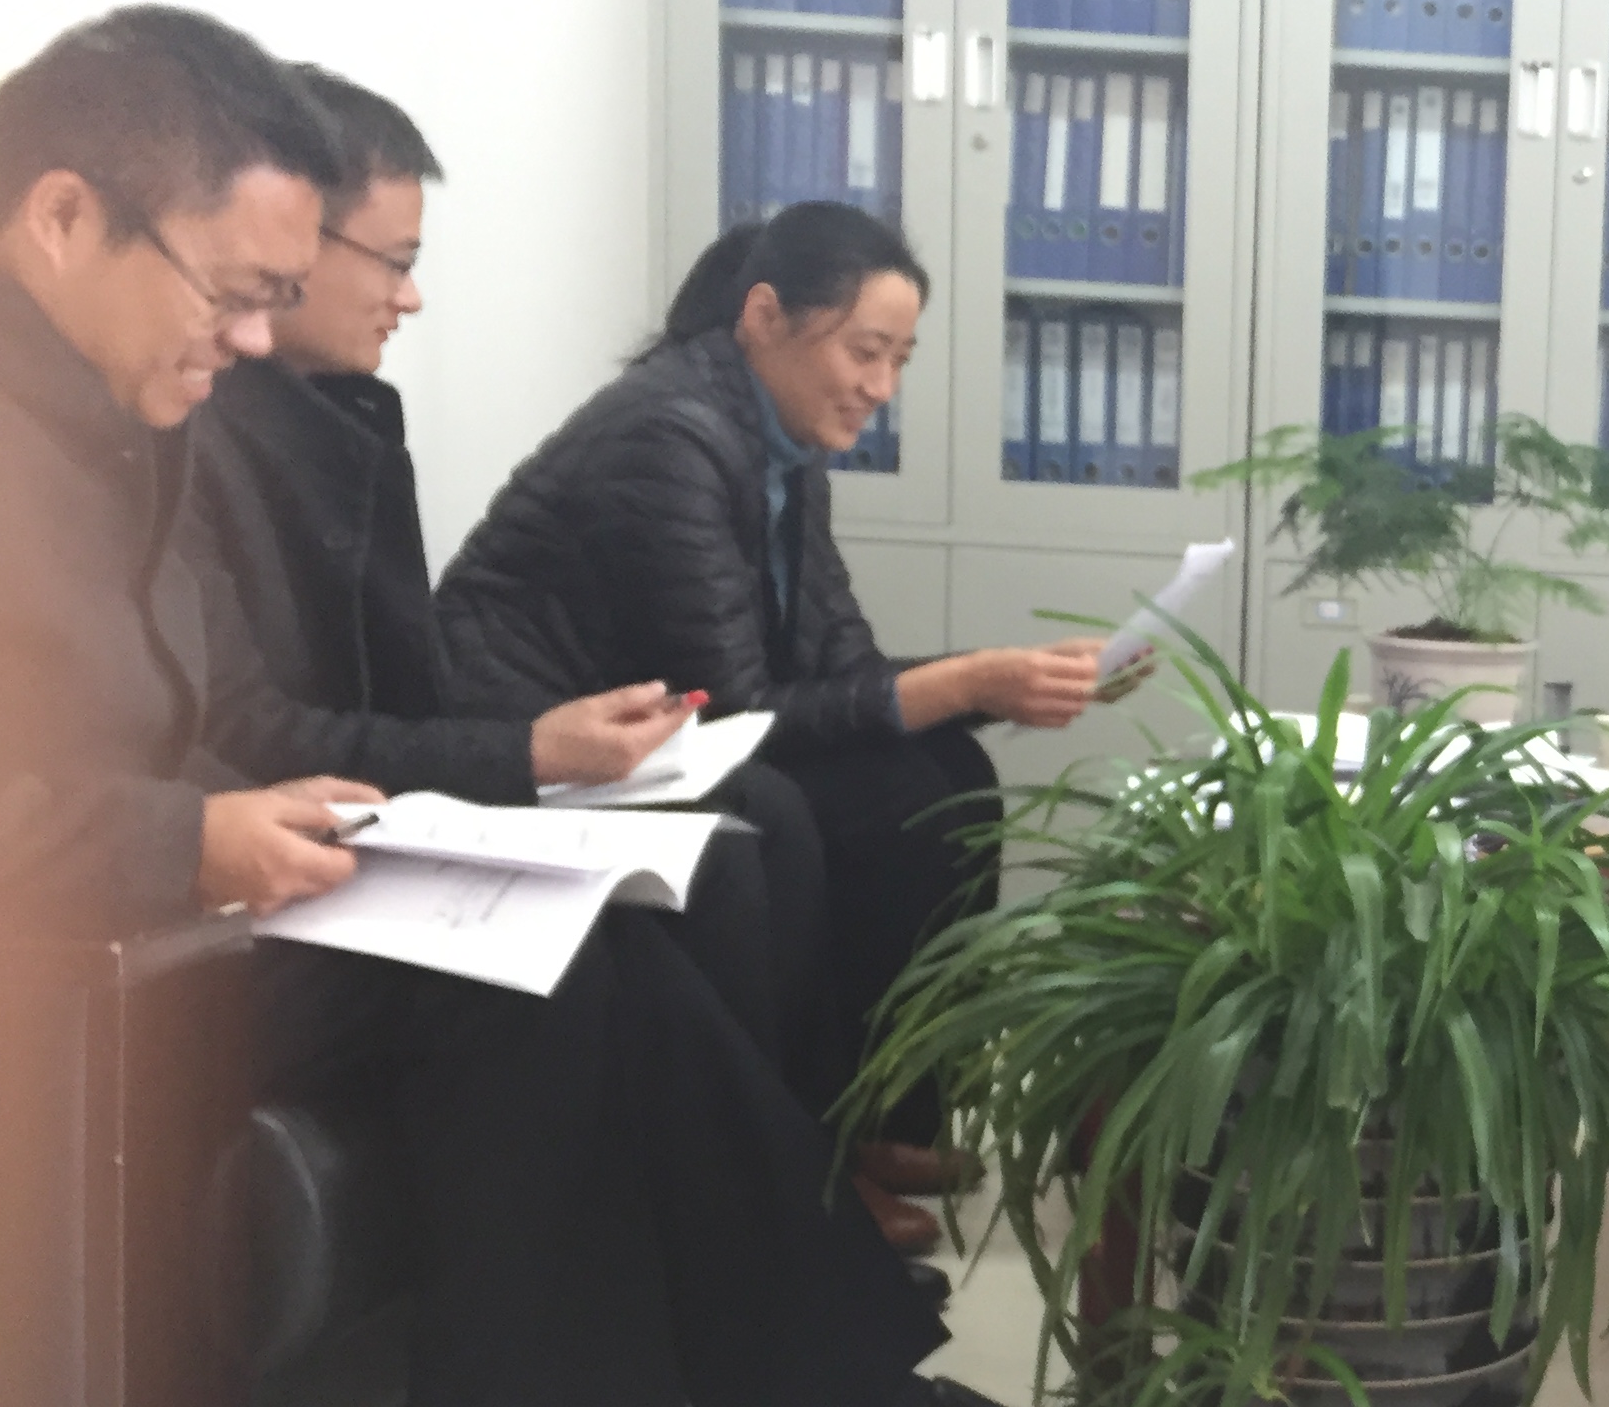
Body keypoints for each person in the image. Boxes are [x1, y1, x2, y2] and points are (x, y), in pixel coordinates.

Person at [0, 5, 1080, 1407]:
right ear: (65, 216)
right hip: (82, 973)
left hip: (157, 916)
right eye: (229, 290)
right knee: (549, 968)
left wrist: (250, 805)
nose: (246, 339)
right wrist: (191, 833)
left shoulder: (116, 423)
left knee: (589, 937)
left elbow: (211, 720)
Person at [176, 69, 928, 1254]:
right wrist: (528, 752)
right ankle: (775, 1208)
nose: (412, 297)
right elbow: (253, 732)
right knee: (732, 850)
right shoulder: (667, 431)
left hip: (404, 781)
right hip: (331, 822)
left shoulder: (347, 423)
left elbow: (364, 695)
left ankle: (809, 1180)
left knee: (878, 797)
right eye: (394, 261)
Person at [436, 203, 1126, 1213]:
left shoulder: (782, 455)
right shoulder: (666, 435)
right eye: (864, 352)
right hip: (538, 744)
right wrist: (970, 680)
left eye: (899, 360)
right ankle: (802, 1158)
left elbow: (843, 664)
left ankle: (880, 1117)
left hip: (668, 731)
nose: (881, 388)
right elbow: (740, 712)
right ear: (765, 318)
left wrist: (1002, 681)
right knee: (797, 815)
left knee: (944, 784)